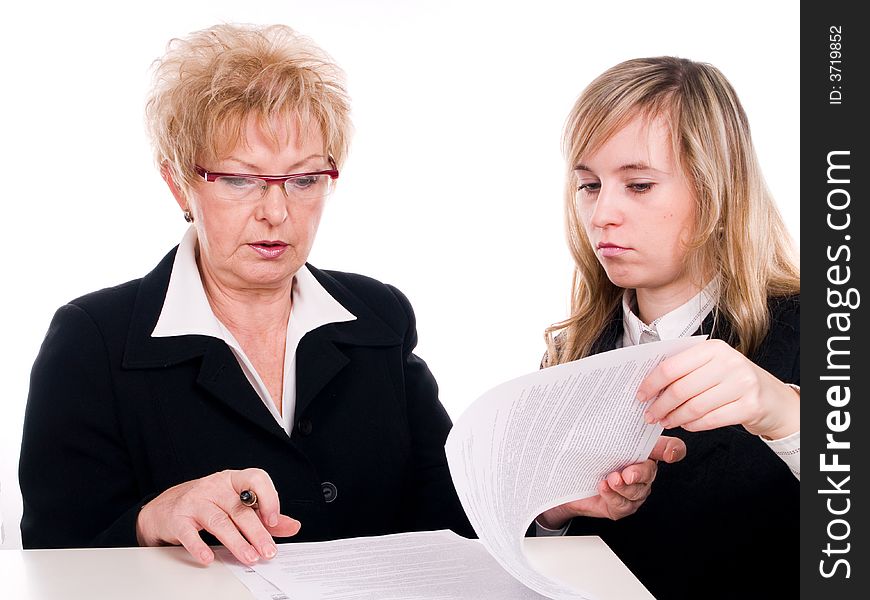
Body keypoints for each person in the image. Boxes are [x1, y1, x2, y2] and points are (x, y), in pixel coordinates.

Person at [18, 23, 479, 566]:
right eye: (240, 180)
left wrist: (548, 508)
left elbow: (452, 515)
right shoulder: (92, 338)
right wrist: (151, 520)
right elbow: (50, 555)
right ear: (177, 182)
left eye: (304, 180)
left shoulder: (378, 316)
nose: (276, 213)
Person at [538, 57, 800, 599]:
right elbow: (532, 555)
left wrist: (786, 413)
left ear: (717, 191)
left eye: (637, 185)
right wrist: (551, 511)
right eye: (588, 185)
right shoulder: (569, 352)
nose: (601, 214)